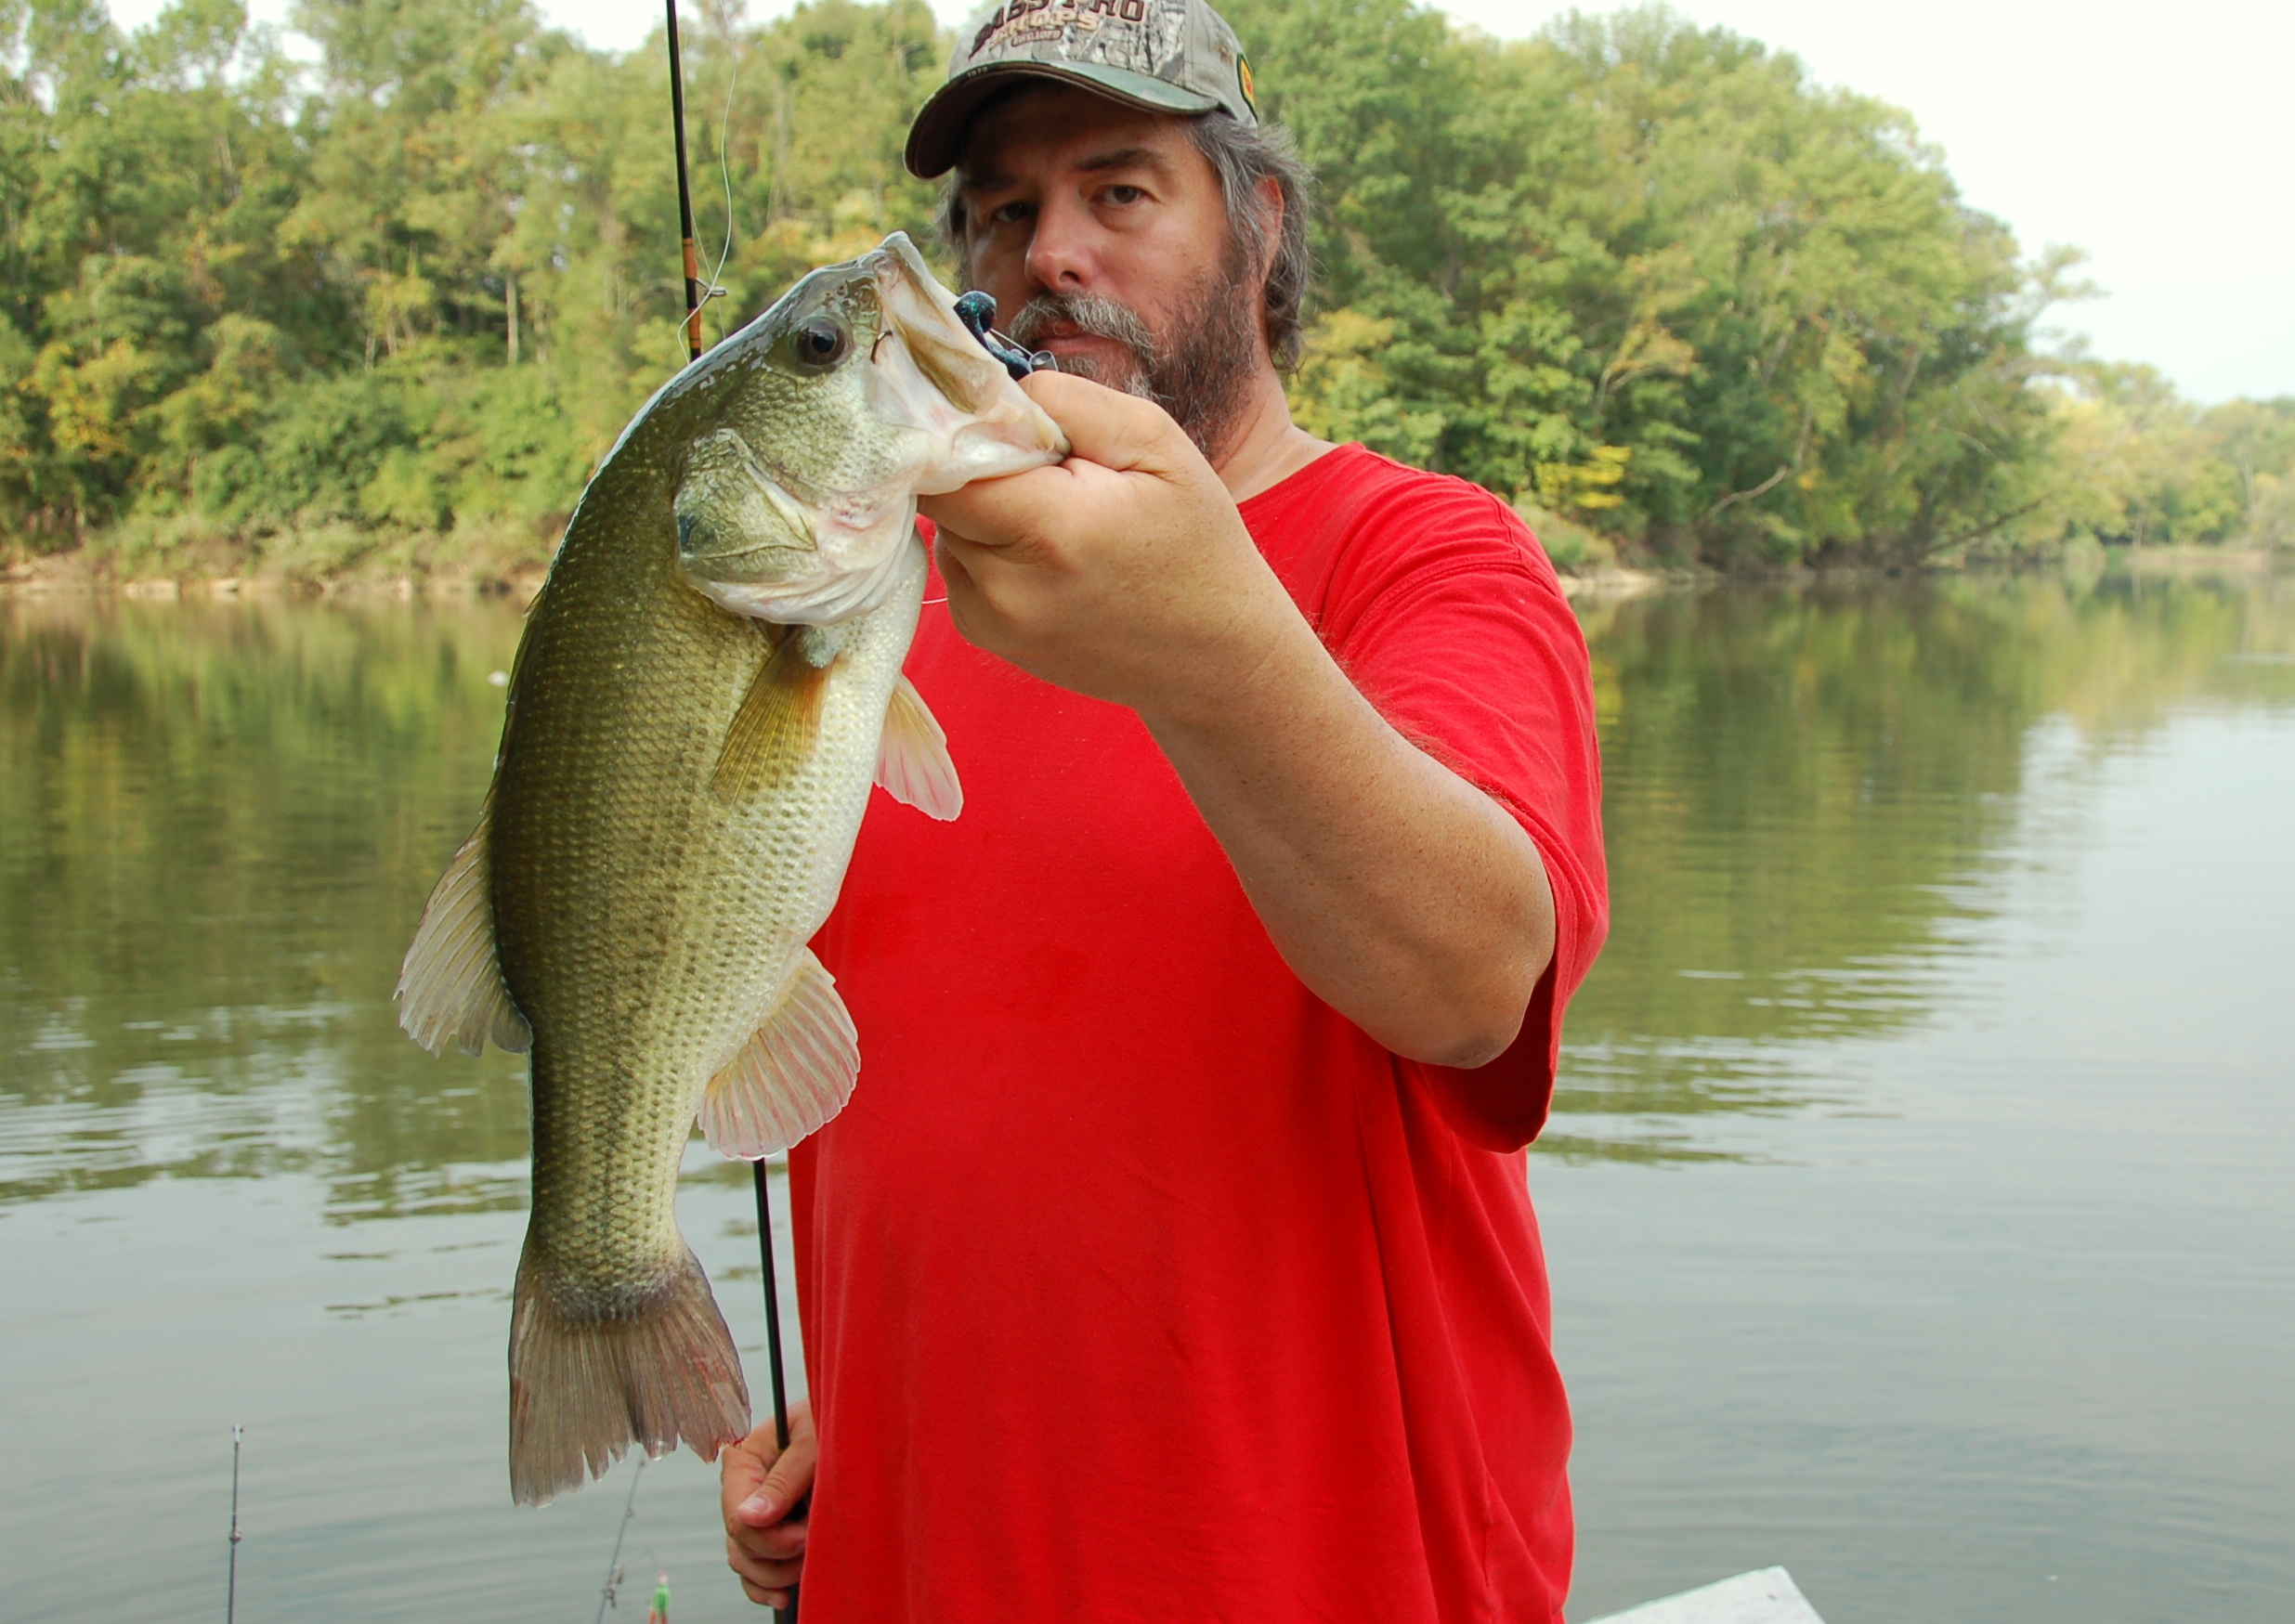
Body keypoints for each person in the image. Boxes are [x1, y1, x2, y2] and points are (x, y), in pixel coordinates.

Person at [719, 0, 1608, 1617]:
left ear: (1259, 227)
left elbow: (1476, 979)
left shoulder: (1428, 555)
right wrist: (859, 1404)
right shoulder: (867, 612)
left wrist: (1212, 648)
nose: (1050, 253)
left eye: (1119, 191)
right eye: (1004, 210)